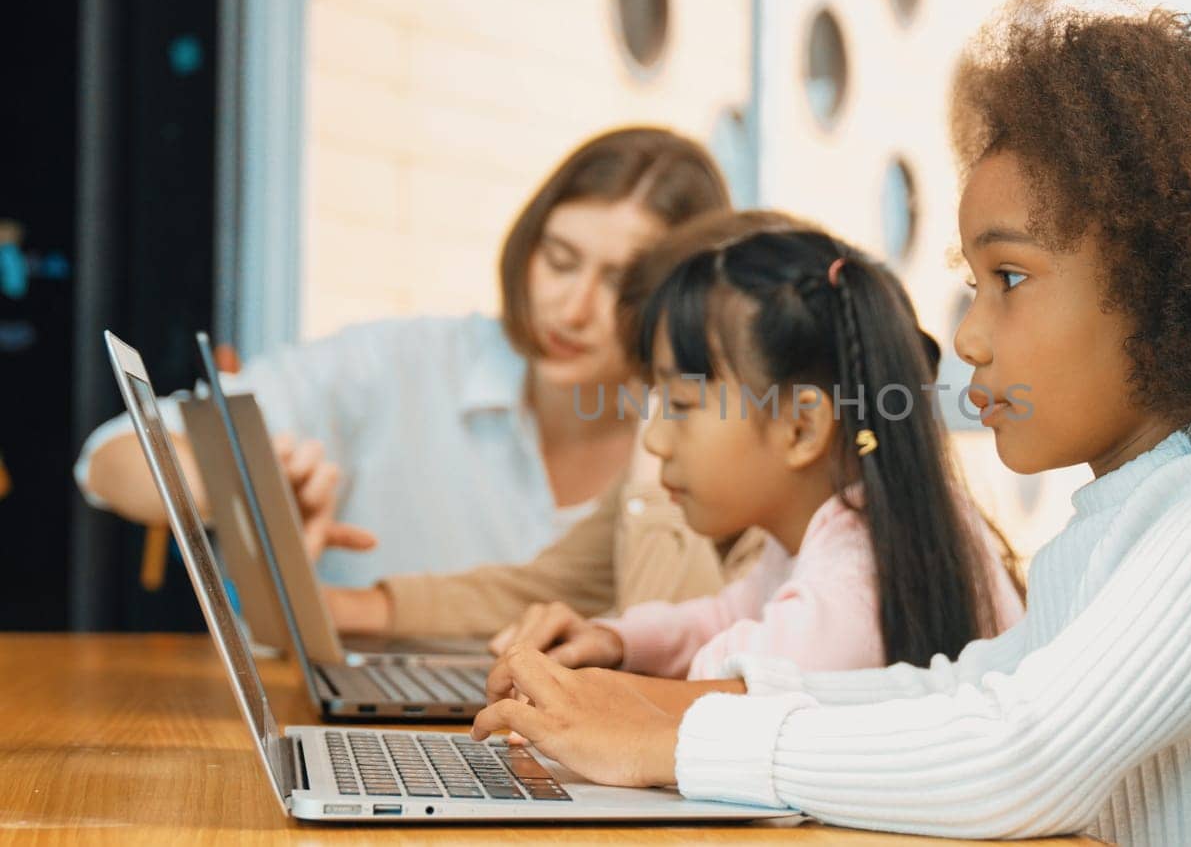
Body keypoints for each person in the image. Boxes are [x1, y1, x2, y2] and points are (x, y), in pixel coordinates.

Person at [466, 0, 1191, 844]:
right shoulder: (1129, 514)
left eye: (1009, 277)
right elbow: (957, 692)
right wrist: (647, 707)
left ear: (1164, 286)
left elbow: (1018, 749)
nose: (972, 335)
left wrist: (672, 737)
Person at [75, 127, 731, 587]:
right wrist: (241, 489)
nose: (574, 305)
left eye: (619, 282)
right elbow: (109, 459)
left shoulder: (712, 437)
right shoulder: (396, 365)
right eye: (559, 261)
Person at [492, 226, 1025, 677]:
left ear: (800, 428)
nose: (654, 441)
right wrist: (615, 641)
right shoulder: (851, 524)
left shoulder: (851, 591)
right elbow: (725, 617)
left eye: (679, 402)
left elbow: (720, 698)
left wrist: (581, 698)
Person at [325, 210, 808, 637]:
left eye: (679, 400)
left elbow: (679, 687)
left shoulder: (814, 550)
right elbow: (551, 586)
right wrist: (352, 609)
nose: (655, 431)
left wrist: (653, 471)